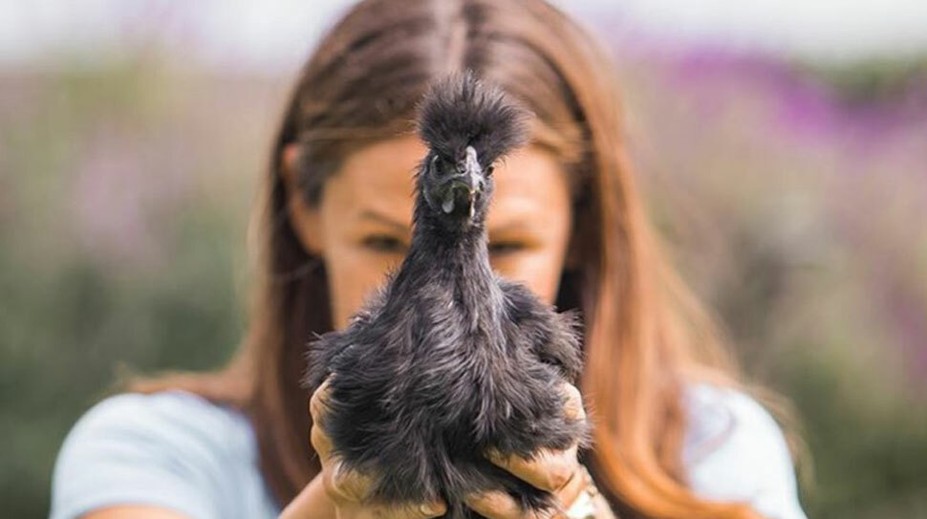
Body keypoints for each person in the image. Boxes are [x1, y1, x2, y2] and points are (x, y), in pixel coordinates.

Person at [49, 0, 809, 518]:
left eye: (509, 243)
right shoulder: (156, 457)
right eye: (381, 241)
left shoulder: (711, 452)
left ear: (582, 223)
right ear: (304, 205)